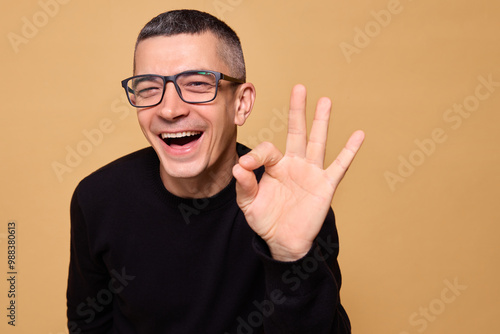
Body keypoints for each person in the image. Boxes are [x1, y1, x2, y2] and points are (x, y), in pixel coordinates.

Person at [66, 9, 364, 334]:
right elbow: (89, 323)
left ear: (241, 104)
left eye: (196, 84)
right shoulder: (97, 198)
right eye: (149, 88)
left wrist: (290, 255)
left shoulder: (293, 203)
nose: (169, 109)